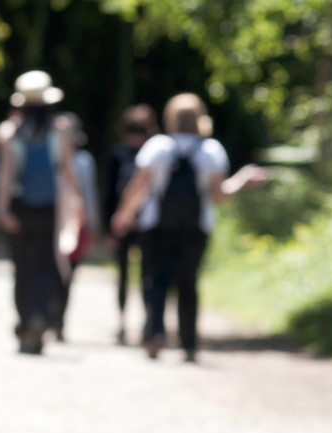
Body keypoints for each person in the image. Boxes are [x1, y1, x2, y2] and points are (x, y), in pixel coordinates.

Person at [111, 93, 269, 362]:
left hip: (155, 225)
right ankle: (188, 344)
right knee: (188, 283)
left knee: (156, 280)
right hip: (197, 227)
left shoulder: (157, 146)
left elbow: (138, 187)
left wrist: (123, 215)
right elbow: (219, 195)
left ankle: (156, 332)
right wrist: (243, 178)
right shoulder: (211, 150)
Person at [0, 71, 81, 354]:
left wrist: (2, 208)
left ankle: (25, 322)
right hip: (49, 207)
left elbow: (6, 175)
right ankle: (40, 317)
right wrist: (76, 204)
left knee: (22, 269)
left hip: (20, 207)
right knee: (46, 265)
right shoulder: (61, 129)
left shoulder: (9, 132)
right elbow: (67, 170)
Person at [103, 104, 158, 345]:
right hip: (148, 222)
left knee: (123, 275)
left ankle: (122, 322)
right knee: (149, 275)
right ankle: (149, 322)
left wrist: (109, 228)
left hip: (121, 223)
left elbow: (108, 193)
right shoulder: (155, 152)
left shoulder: (117, 153)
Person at [53, 111, 100, 342]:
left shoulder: (74, 161)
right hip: (72, 222)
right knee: (66, 275)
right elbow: (89, 197)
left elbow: (88, 196)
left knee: (60, 273)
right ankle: (57, 321)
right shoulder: (83, 162)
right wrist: (93, 225)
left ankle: (56, 320)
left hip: (68, 222)